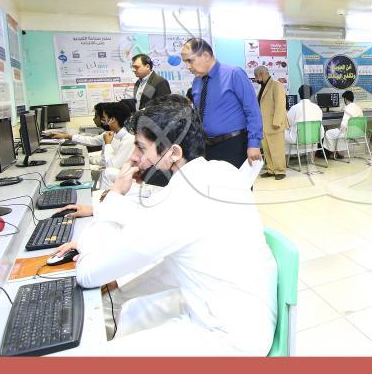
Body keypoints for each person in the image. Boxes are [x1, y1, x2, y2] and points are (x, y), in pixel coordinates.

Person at [52, 95, 277, 357]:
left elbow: (87, 274)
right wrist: (121, 288)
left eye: (141, 147)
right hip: (248, 316)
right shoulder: (221, 171)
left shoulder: (180, 200)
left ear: (174, 153)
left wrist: (114, 195)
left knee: (95, 359)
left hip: (228, 338)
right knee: (128, 310)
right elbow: (173, 262)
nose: (134, 157)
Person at [181, 38, 263, 169]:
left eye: (190, 60)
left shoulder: (233, 74)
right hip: (207, 147)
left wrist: (254, 143)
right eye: (185, 62)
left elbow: (252, 110)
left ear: (206, 56)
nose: (188, 67)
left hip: (233, 146)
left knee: (235, 182)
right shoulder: (197, 82)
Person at [253, 66, 288, 180]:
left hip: (274, 124)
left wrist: (277, 122)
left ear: (261, 74)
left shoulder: (276, 85)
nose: (256, 79)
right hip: (264, 125)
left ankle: (280, 171)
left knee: (277, 149)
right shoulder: (262, 88)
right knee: (267, 149)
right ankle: (271, 169)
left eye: (256, 76)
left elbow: (280, 104)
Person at [96, 101, 136, 190]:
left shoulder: (128, 139)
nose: (104, 122)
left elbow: (111, 166)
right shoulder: (121, 136)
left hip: (131, 181)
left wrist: (107, 144)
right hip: (124, 175)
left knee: (106, 172)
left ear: (112, 119)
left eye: (104, 118)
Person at [323, 90, 364, 159]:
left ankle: (333, 153)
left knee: (328, 133)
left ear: (345, 99)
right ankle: (339, 153)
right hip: (359, 132)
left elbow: (343, 125)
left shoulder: (348, 108)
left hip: (349, 132)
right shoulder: (358, 108)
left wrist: (339, 129)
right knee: (339, 133)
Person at [285, 84, 324, 149]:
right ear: (311, 94)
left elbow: (288, 123)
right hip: (315, 137)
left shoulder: (294, 108)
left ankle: (286, 154)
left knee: (282, 132)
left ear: (299, 94)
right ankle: (312, 154)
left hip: (297, 139)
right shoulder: (317, 108)